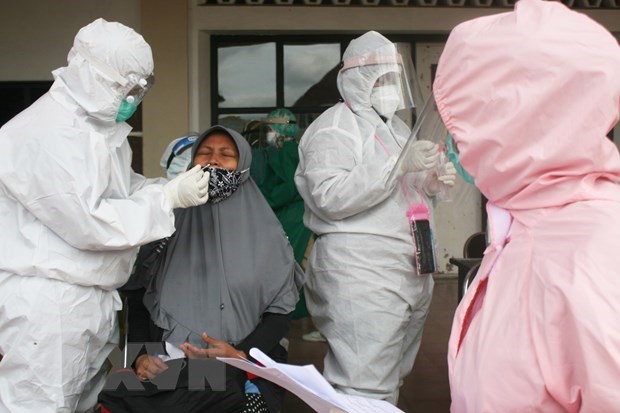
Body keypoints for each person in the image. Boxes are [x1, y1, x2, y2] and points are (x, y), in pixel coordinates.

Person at [0, 19, 210, 412]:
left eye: (140, 89)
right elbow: (90, 223)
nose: (133, 98)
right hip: (50, 304)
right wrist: (166, 198)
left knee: (82, 402)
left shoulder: (98, 132)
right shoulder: (47, 132)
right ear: (88, 73)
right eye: (125, 88)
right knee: (39, 405)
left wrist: (163, 187)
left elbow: (122, 190)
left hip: (87, 299)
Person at [432, 0, 620, 410]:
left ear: (511, 123)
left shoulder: (579, 256)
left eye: (462, 124)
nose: (452, 144)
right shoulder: (533, 224)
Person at [294, 30, 456, 404]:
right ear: (356, 79)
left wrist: (432, 180)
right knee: (361, 384)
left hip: (408, 265)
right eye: (382, 79)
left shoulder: (396, 127)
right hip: (361, 271)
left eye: (395, 79)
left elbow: (404, 190)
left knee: (388, 376)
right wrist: (395, 167)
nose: (391, 88)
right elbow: (329, 196)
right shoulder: (334, 128)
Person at [98, 125, 304, 413]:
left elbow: (280, 313)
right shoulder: (165, 228)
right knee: (119, 399)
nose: (213, 161)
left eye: (226, 154)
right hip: (169, 362)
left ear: (243, 165)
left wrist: (239, 354)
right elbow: (140, 300)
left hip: (243, 364)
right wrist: (140, 357)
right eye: (204, 153)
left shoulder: (267, 234)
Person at [258, 108, 322, 341]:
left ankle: (327, 325)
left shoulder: (289, 152)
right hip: (297, 217)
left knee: (303, 273)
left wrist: (262, 198)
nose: (269, 134)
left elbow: (287, 188)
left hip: (295, 220)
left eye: (271, 128)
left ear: (282, 128)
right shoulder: (293, 150)